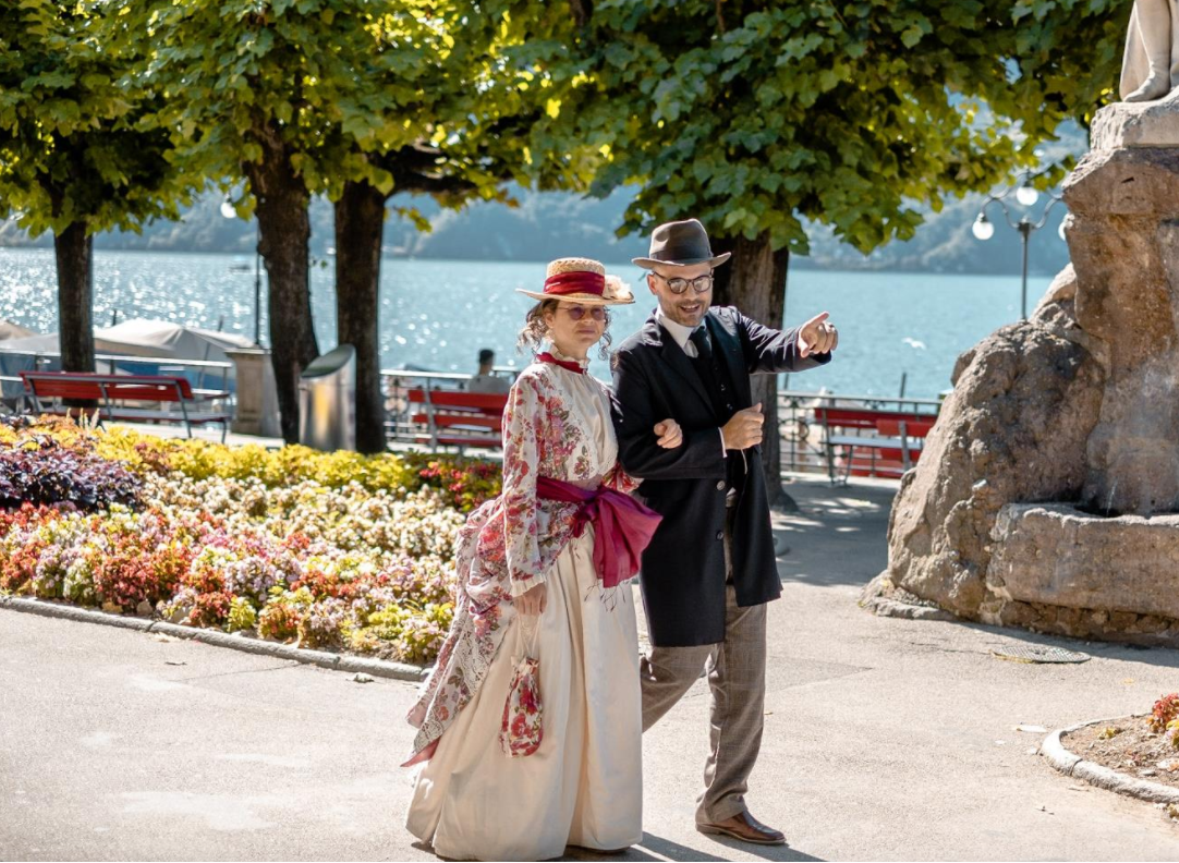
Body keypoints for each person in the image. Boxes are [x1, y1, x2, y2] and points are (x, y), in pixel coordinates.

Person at [404, 257, 680, 862]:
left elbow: (614, 480)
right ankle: (508, 823)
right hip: (549, 557)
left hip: (595, 553)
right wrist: (523, 573)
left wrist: (657, 444)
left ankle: (585, 817)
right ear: (545, 318)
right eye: (574, 310)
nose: (587, 320)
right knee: (543, 680)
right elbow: (518, 485)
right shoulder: (532, 386)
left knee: (597, 684)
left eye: (596, 312)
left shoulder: (602, 390)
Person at [611, 218, 839, 847]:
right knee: (675, 668)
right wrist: (718, 440)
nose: (693, 293)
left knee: (744, 680)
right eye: (679, 283)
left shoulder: (732, 327)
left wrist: (810, 343)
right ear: (654, 283)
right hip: (682, 541)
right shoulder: (634, 357)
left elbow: (779, 347)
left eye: (702, 279)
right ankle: (584, 749)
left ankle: (724, 803)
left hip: (745, 532)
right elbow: (634, 459)